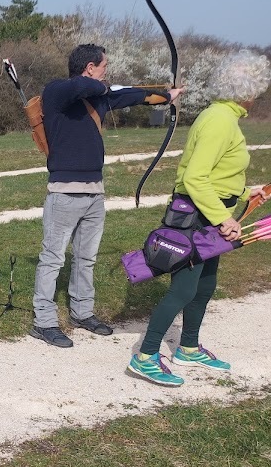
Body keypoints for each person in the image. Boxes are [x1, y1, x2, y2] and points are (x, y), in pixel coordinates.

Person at [128, 50, 271, 386]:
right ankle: (145, 355)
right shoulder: (220, 120)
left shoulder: (222, 116)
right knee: (183, 290)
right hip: (197, 219)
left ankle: (188, 348)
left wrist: (246, 191)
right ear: (249, 90)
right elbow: (194, 178)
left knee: (205, 285)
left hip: (209, 215)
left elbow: (216, 174)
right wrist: (225, 219)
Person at [30, 43, 184, 347]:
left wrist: (167, 96)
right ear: (90, 68)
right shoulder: (58, 92)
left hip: (94, 194)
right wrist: (103, 85)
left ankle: (82, 312)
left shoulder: (98, 97)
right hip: (64, 193)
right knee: (52, 259)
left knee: (86, 258)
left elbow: (135, 96)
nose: (107, 72)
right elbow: (81, 86)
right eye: (104, 66)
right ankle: (44, 322)